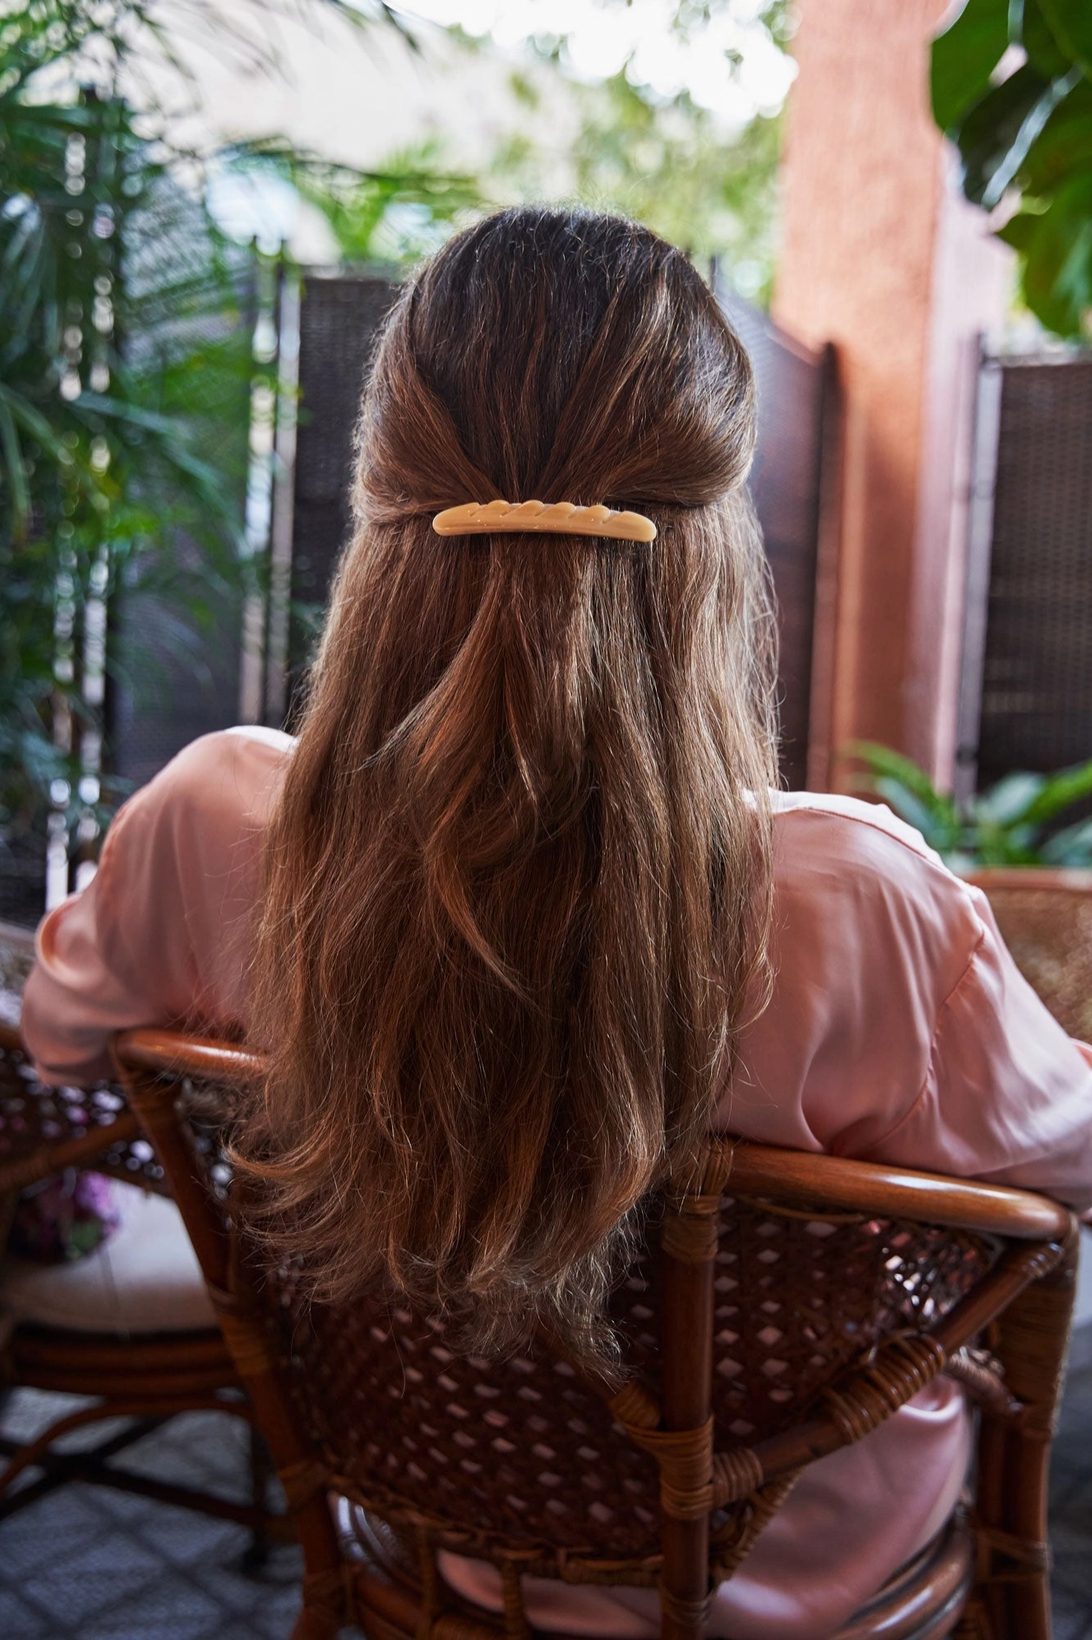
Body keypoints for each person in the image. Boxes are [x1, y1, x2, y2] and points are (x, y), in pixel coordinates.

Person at [20, 208, 1092, 1640]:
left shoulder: (209, 817)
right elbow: (1058, 1178)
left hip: (427, 1524)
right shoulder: (860, 897)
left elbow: (64, 1035)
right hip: (788, 1572)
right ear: (713, 544)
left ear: (381, 494)